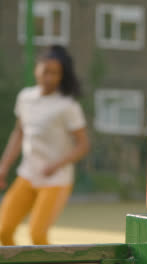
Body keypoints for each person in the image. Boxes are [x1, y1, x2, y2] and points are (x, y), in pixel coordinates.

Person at [0, 45, 90, 245]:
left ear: (62, 76)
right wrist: (4, 167)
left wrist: (57, 164)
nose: (48, 77)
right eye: (45, 71)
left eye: (55, 73)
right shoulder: (25, 98)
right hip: (27, 175)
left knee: (37, 235)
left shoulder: (67, 106)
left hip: (55, 180)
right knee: (3, 231)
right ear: (36, 69)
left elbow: (83, 146)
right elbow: (19, 134)